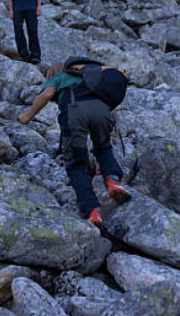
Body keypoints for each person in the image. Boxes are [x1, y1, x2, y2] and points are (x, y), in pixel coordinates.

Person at [17, 57, 130, 228]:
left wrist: (27, 116)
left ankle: (91, 210)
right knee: (103, 148)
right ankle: (113, 180)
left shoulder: (60, 77)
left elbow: (47, 94)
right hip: (102, 110)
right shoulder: (89, 75)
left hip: (75, 111)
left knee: (76, 164)